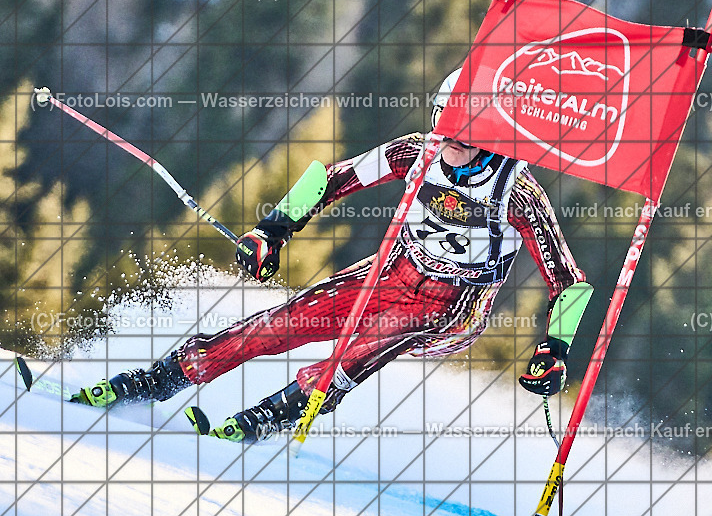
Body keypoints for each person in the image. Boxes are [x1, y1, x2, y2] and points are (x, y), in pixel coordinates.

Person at [71, 69, 593, 442]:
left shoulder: (514, 189)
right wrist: (273, 230)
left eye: (466, 130)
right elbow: (332, 178)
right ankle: (162, 378)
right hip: (393, 271)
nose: (451, 139)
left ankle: (273, 416)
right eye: (445, 122)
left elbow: (567, 281)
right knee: (281, 324)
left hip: (454, 305)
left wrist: (555, 349)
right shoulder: (416, 151)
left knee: (361, 347)